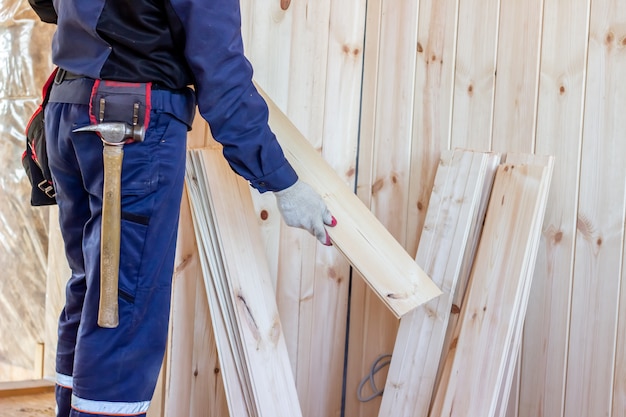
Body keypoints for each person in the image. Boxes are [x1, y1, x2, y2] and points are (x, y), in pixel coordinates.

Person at [28, 0, 336, 416]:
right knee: (120, 309)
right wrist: (283, 182)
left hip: (69, 109)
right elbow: (223, 80)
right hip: (128, 122)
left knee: (92, 292)